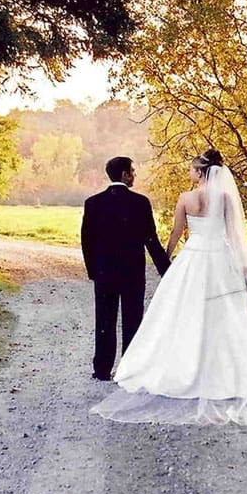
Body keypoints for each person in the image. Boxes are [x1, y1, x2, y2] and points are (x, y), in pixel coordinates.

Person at [90, 148, 247, 425]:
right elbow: (234, 235)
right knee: (228, 315)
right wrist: (242, 264)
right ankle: (227, 370)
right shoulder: (224, 198)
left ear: (200, 173)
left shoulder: (186, 198)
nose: (190, 173)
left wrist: (169, 259)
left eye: (192, 169)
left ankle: (164, 368)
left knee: (180, 313)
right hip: (219, 258)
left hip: (192, 259)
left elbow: (175, 232)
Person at [81, 156, 170, 381]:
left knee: (104, 320)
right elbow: (151, 240)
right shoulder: (141, 202)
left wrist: (93, 270)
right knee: (133, 319)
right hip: (132, 271)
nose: (134, 175)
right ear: (124, 175)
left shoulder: (93, 203)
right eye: (132, 171)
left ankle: (102, 369)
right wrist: (166, 270)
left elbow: (86, 240)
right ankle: (129, 370)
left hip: (104, 272)